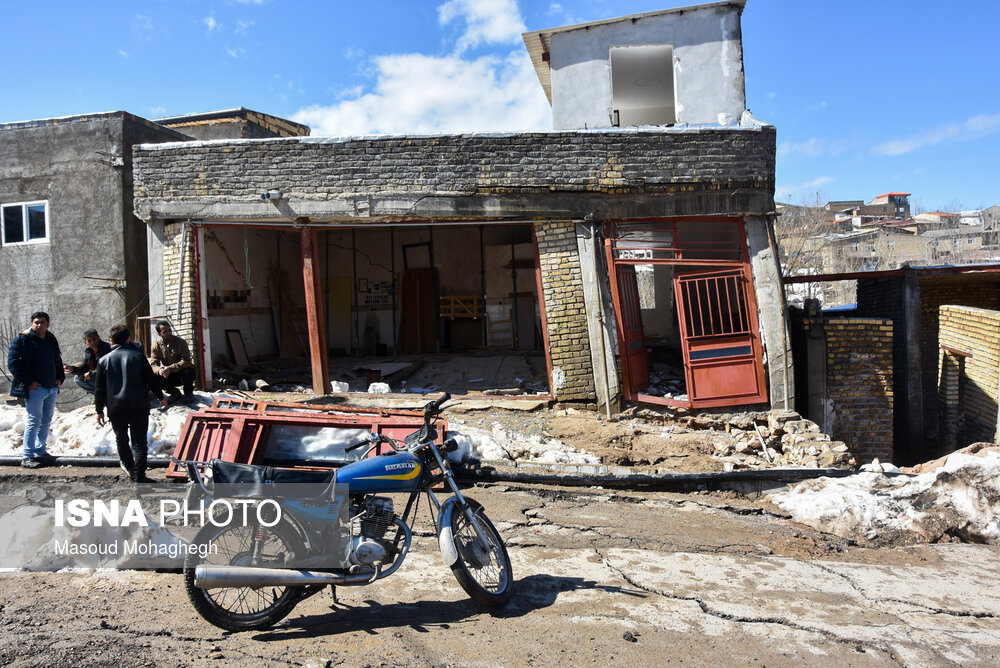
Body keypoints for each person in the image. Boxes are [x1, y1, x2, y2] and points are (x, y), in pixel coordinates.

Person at [95, 325, 167, 483]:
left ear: (111, 341)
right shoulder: (138, 356)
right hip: (138, 405)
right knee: (139, 442)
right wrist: (160, 396)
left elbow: (99, 389)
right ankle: (140, 476)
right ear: (128, 339)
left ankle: (129, 468)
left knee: (121, 438)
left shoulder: (103, 361)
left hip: (115, 407)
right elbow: (150, 378)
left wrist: (99, 410)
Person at [7, 311, 65, 468]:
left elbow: (57, 359)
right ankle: (27, 455)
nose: (39, 325)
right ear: (32, 323)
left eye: (42, 322)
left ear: (48, 324)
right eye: (36, 322)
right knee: (34, 420)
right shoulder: (22, 340)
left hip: (51, 387)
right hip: (35, 389)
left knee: (46, 420)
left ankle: (41, 449)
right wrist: (29, 382)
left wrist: (60, 377)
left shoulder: (50, 339)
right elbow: (13, 363)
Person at [149, 321, 196, 402]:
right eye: (165, 331)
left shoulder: (181, 342)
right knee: (152, 376)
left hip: (182, 373)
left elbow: (187, 361)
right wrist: (160, 371)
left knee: (187, 371)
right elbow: (153, 365)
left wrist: (170, 368)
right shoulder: (156, 346)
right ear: (159, 334)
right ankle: (174, 392)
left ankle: (188, 393)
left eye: (169, 330)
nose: (169, 333)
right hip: (169, 375)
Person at [63, 329, 112, 394]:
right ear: (85, 342)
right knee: (78, 378)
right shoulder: (89, 352)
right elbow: (84, 367)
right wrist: (72, 369)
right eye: (89, 340)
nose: (92, 342)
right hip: (98, 378)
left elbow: (107, 367)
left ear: (98, 337)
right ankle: (101, 397)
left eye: (94, 339)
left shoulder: (107, 348)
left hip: (109, 378)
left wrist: (91, 374)